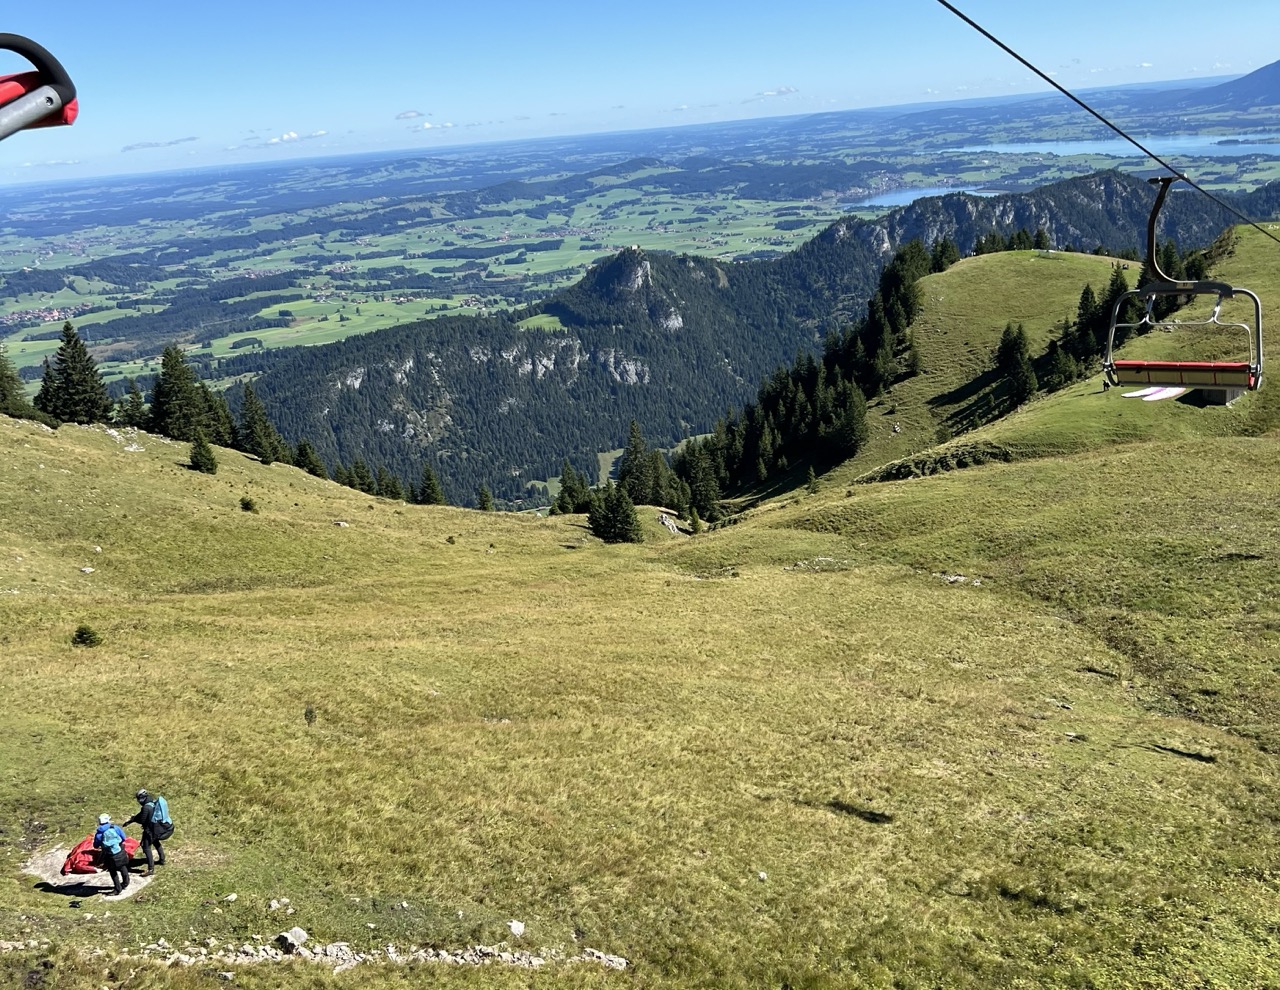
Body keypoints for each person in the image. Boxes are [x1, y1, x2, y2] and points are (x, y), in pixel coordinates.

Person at [124, 788, 172, 875]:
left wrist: (134, 819)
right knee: (155, 842)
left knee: (146, 847)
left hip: (151, 830)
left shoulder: (146, 807)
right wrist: (132, 820)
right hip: (157, 829)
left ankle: (150, 869)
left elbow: (142, 820)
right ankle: (162, 860)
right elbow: (142, 815)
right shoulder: (151, 803)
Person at [92, 813, 130, 895]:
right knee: (123, 867)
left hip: (110, 855)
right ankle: (126, 883)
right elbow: (123, 838)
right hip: (120, 851)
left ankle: (117, 889)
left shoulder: (99, 833)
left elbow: (95, 845)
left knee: (113, 871)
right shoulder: (115, 828)